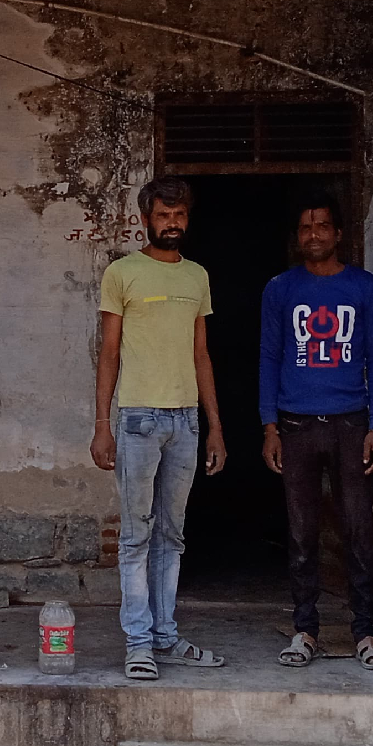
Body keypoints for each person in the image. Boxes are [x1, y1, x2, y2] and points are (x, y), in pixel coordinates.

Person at [90, 177, 228, 681]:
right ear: (146, 218)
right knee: (135, 536)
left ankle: (165, 636)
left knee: (172, 536)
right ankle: (139, 643)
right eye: (164, 215)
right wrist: (103, 425)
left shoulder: (197, 277)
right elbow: (108, 354)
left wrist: (214, 428)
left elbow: (201, 355)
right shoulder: (123, 273)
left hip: (186, 421)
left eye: (180, 215)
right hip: (138, 420)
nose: (173, 223)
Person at [259, 193, 373, 671]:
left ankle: (366, 631)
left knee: (358, 529)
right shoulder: (280, 289)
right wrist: (269, 425)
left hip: (351, 424)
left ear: (338, 234)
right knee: (301, 533)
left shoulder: (365, 287)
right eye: (305, 227)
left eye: (322, 226)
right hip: (294, 426)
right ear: (297, 237)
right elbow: (270, 357)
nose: (313, 235)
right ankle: (305, 629)